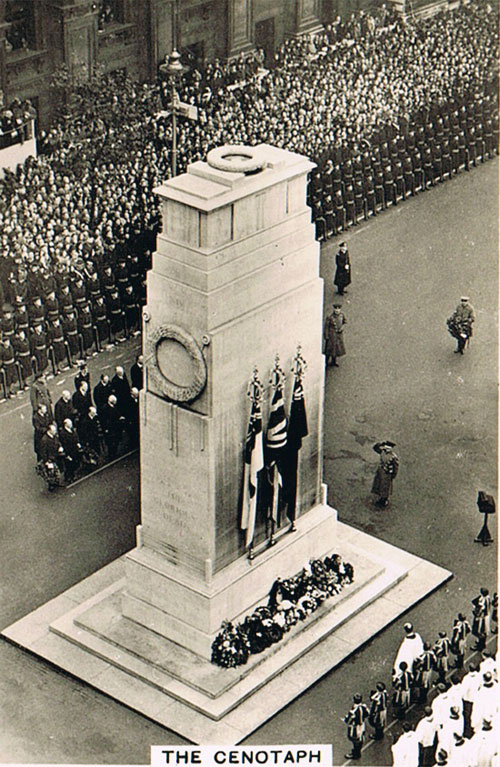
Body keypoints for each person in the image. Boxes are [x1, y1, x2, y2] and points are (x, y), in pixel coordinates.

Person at [38, 422, 65, 491]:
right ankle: (52, 485)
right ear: (49, 431)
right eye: (54, 431)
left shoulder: (54, 436)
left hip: (56, 456)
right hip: (50, 459)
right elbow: (42, 452)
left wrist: (60, 447)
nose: (55, 432)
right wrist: (46, 461)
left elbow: (58, 442)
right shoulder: (44, 440)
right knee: (51, 473)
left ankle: (57, 482)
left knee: (57, 470)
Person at [372, 440, 399, 508]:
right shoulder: (382, 452)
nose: (386, 449)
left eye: (388, 448)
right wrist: (380, 444)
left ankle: (384, 500)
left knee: (385, 487)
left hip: (387, 473)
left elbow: (396, 467)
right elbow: (375, 448)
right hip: (381, 471)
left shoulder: (393, 457)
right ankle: (380, 497)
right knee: (379, 484)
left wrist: (393, 475)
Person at [343, 693, 369, 760]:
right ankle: (357, 752)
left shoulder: (354, 710)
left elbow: (349, 719)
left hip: (356, 726)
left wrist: (346, 719)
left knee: (355, 739)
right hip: (362, 724)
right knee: (360, 738)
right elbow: (367, 713)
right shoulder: (363, 706)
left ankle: (356, 754)